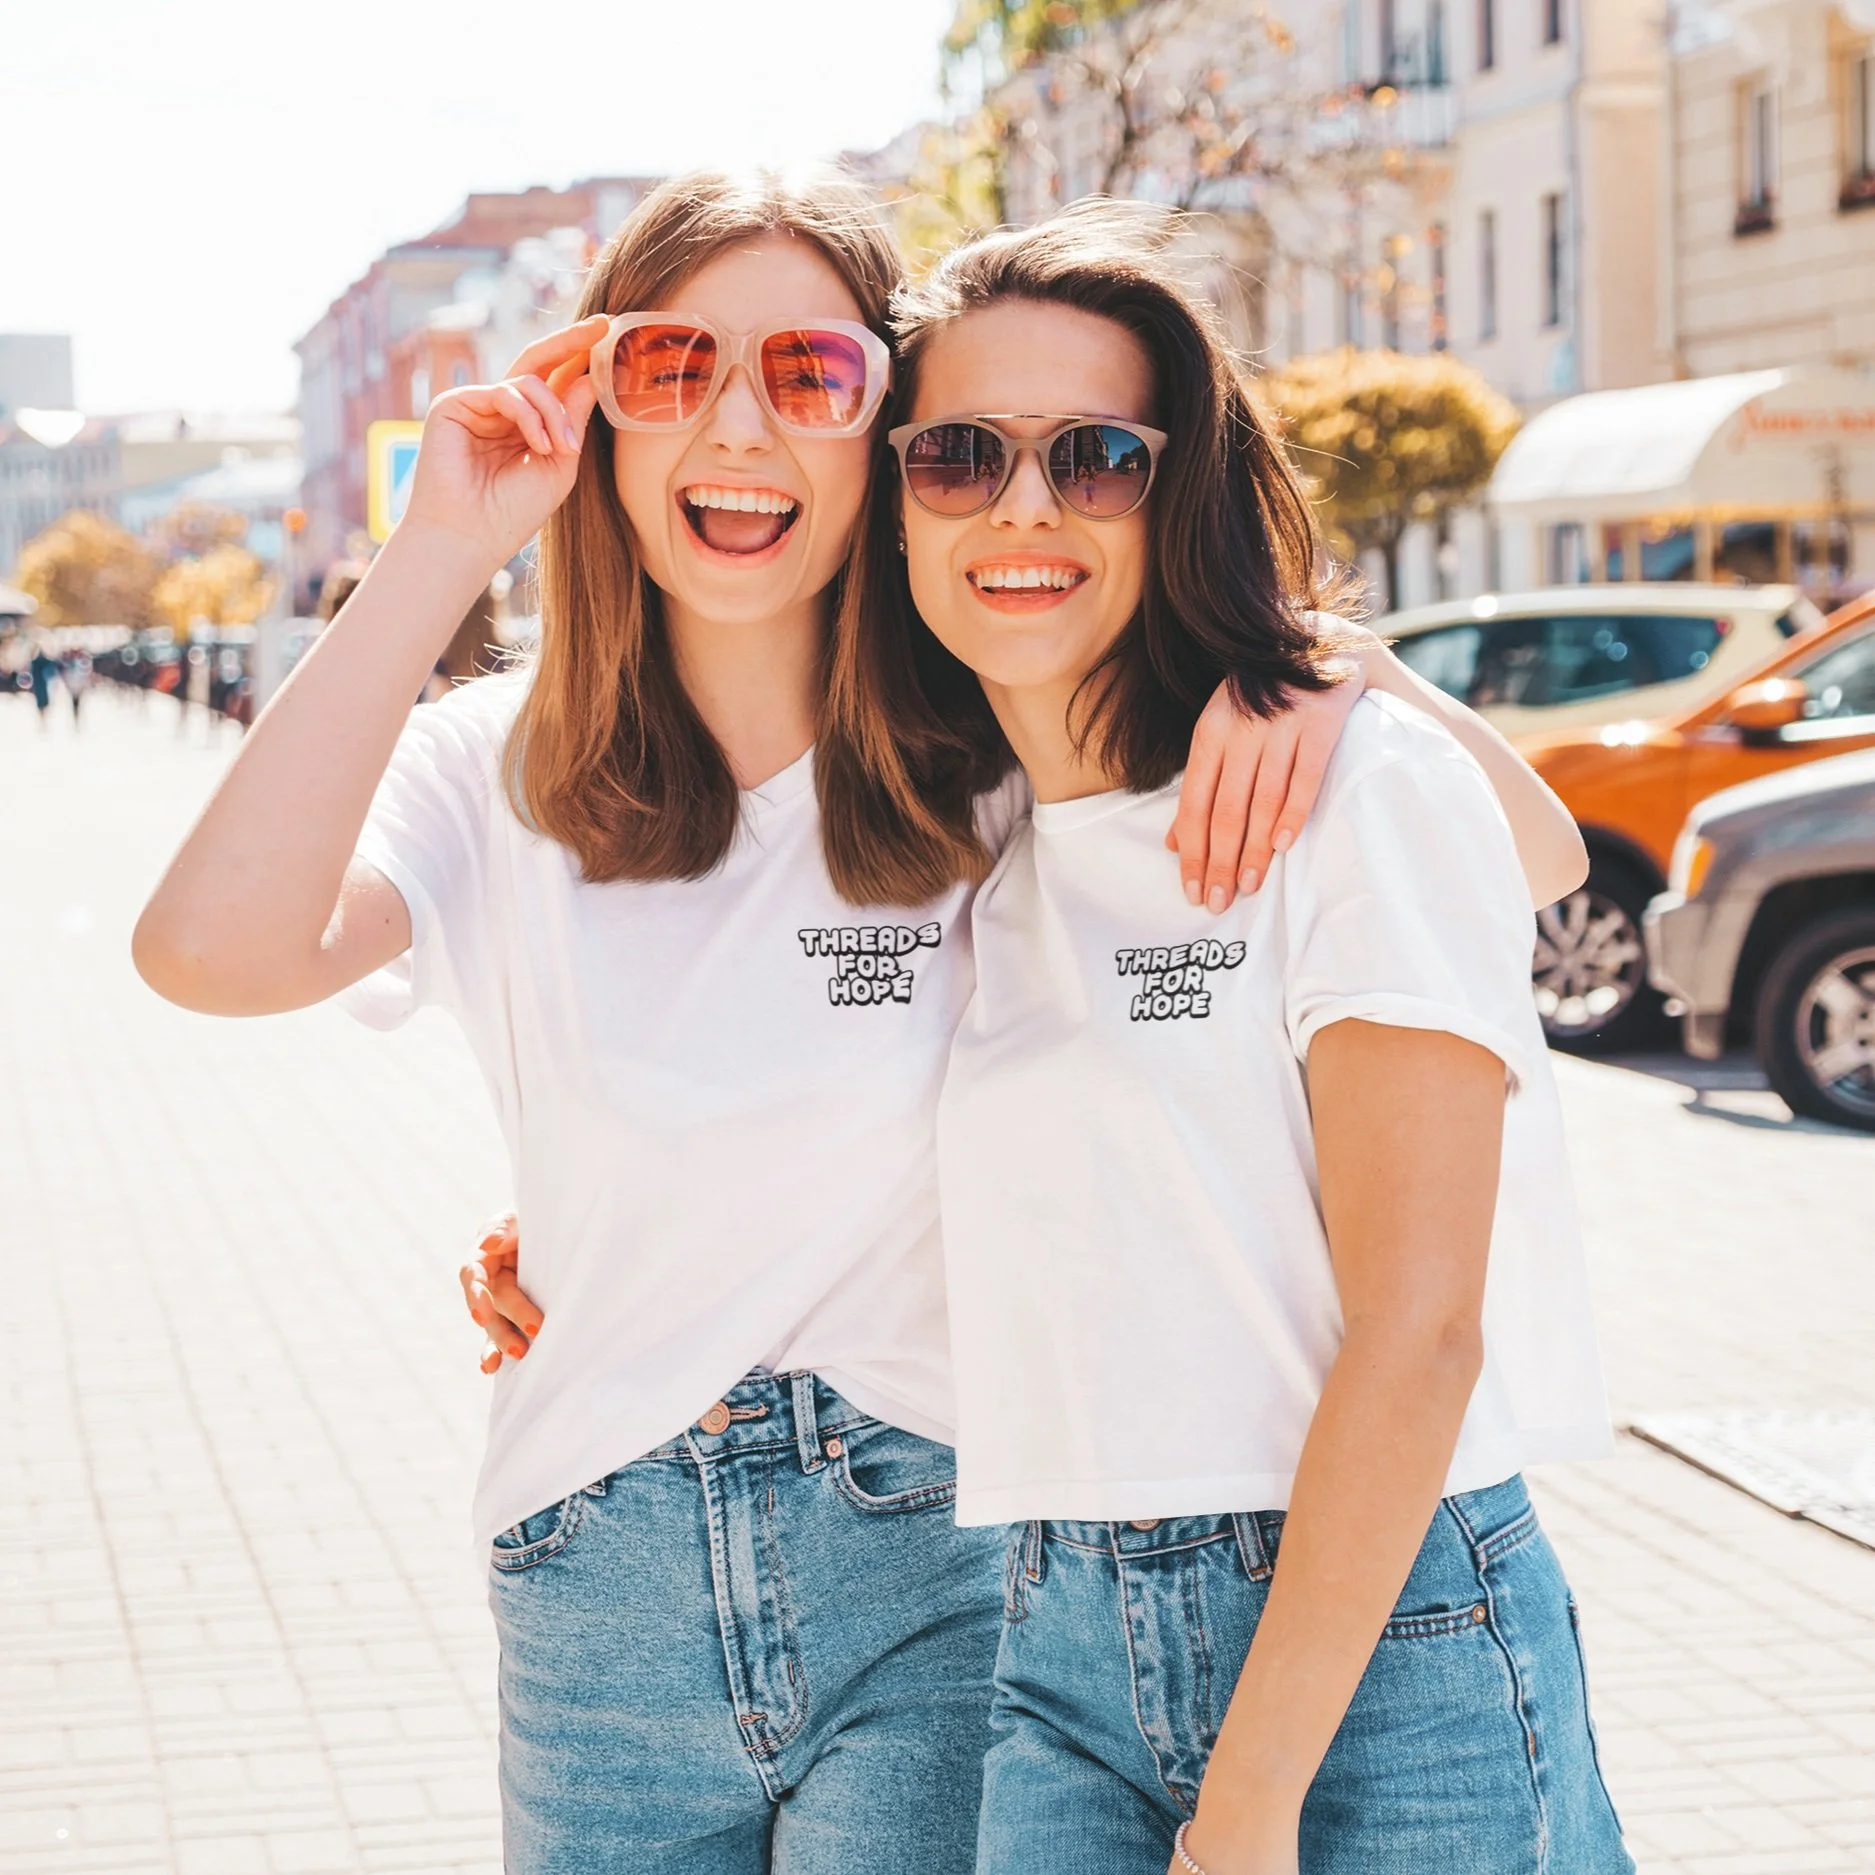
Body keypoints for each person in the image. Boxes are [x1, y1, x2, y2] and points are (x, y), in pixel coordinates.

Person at [131, 171, 1360, 1875]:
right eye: (667, 367)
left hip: (933, 1547)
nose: (735, 425)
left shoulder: (1017, 756)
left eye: (809, 374)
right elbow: (209, 950)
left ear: (889, 427)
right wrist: (441, 544)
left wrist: (1324, 678)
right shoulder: (489, 771)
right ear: (599, 416)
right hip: (595, 1564)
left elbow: (1494, 866)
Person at [858, 204, 1628, 1875]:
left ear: (1178, 485)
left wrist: (1251, 1803)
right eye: (955, 457)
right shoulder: (962, 846)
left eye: (1098, 456)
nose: (1023, 505)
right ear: (893, 504)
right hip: (1053, 1638)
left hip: (1383, 1648)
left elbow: (1421, 1331)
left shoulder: (1352, 791)